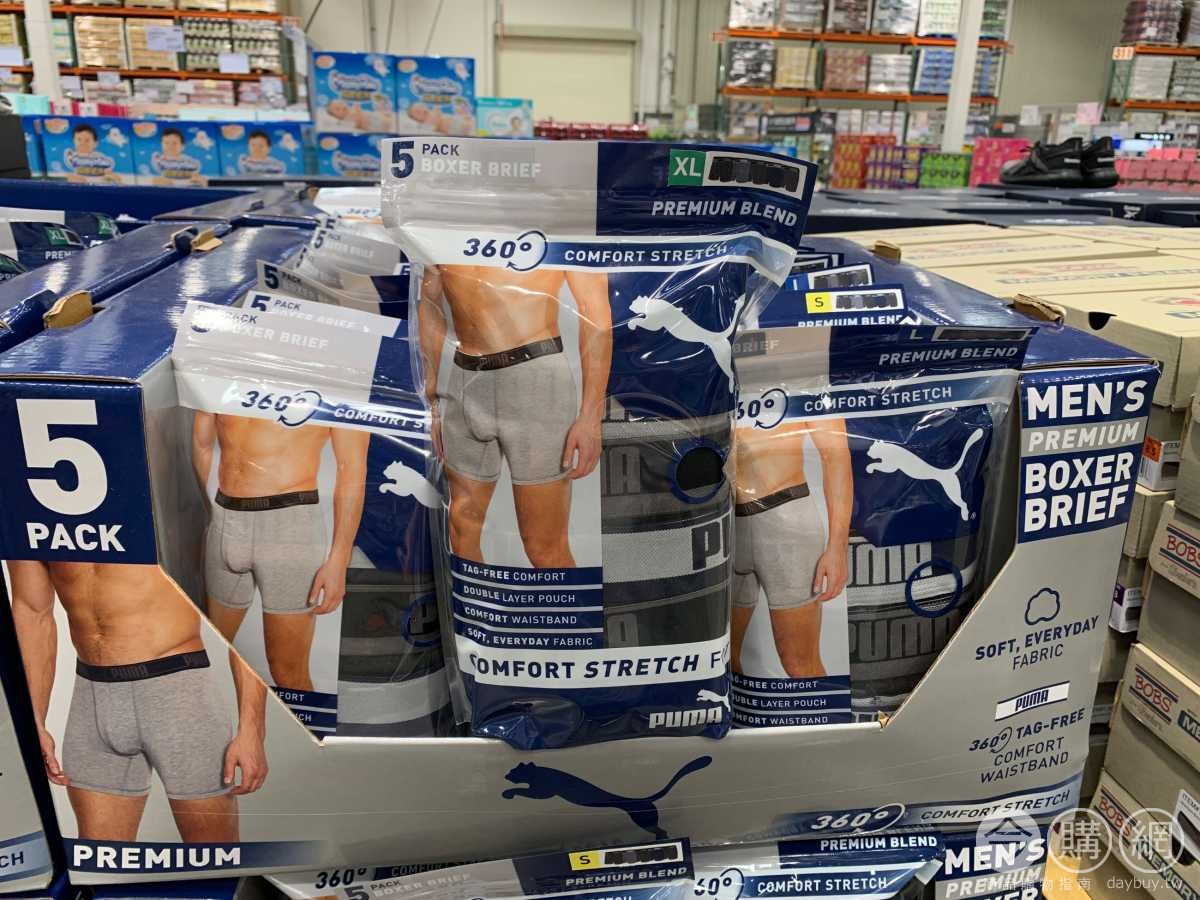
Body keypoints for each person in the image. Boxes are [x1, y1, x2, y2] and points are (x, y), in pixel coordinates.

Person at [8, 561, 268, 842]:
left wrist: (252, 729)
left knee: (214, 856)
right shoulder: (29, 529)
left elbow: (241, 625)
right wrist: (32, 718)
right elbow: (32, 611)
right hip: (92, 699)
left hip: (179, 693)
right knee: (101, 859)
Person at [418, 265, 611, 567]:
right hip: (463, 379)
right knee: (461, 528)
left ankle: (566, 602)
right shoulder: (443, 232)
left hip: (535, 378)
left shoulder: (559, 230)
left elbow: (594, 310)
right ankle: (479, 601)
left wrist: (590, 417)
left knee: (543, 547)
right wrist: (432, 399)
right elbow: (430, 303)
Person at [192, 413, 368, 692]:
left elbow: (352, 470)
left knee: (288, 672)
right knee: (209, 655)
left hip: (290, 525)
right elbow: (201, 444)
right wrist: (200, 519)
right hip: (224, 519)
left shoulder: (338, 384)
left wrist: (339, 560)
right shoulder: (220, 383)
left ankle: (300, 723)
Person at [731, 418, 852, 677]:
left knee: (799, 664)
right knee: (722, 659)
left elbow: (835, 455)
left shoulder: (804, 389)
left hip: (787, 521)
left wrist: (837, 548)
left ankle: (823, 706)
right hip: (724, 522)